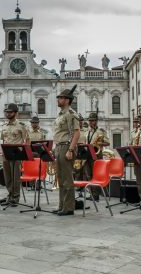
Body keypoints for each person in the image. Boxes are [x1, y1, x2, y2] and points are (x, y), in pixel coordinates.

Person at [52, 87, 80, 216]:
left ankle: (69, 207)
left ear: (67, 100)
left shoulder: (71, 114)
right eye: (59, 98)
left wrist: (70, 150)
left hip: (66, 147)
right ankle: (62, 205)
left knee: (67, 179)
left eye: (61, 98)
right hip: (59, 147)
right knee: (61, 178)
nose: (58, 99)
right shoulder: (61, 114)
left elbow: (76, 133)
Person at [0, 103, 30, 207]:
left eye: (10, 112)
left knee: (15, 177)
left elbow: (27, 140)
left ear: (16, 113)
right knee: (7, 177)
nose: (8, 114)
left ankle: (15, 197)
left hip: (16, 155)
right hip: (6, 154)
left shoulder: (21, 126)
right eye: (7, 112)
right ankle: (10, 195)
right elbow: (3, 140)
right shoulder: (4, 126)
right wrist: (2, 153)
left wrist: (24, 152)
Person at [84, 112, 110, 200]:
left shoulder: (101, 131)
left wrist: (99, 143)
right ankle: (91, 193)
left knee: (96, 174)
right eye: (90, 121)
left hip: (97, 154)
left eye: (93, 121)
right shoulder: (87, 132)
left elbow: (107, 142)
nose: (91, 122)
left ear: (97, 121)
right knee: (88, 175)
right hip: (88, 155)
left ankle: (96, 195)